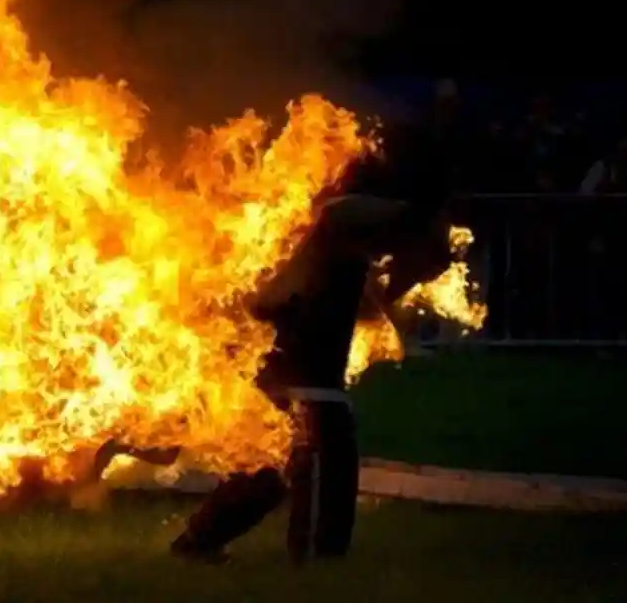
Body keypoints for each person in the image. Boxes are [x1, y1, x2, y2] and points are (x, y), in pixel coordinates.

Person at [169, 150, 453, 565]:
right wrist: (425, 215)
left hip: (289, 374)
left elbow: (374, 293)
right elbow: (389, 225)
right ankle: (317, 564)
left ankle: (197, 544)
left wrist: (401, 281)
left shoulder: (335, 241)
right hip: (306, 383)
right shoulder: (339, 217)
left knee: (267, 471)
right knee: (324, 460)